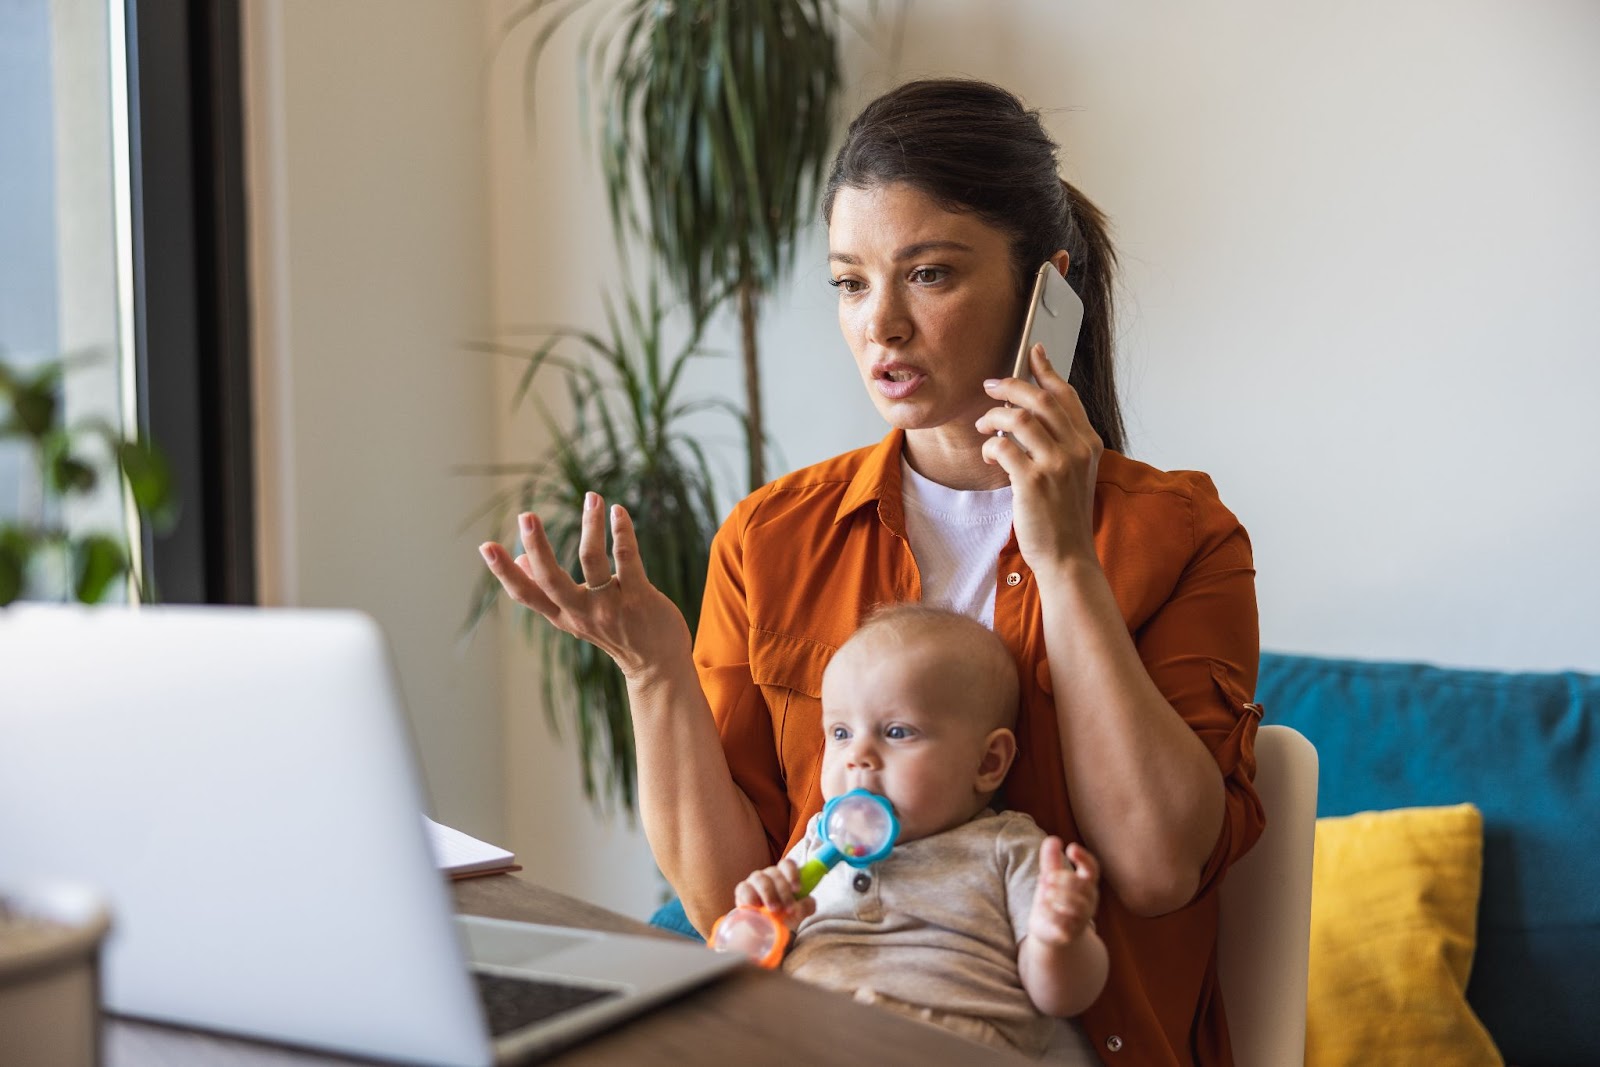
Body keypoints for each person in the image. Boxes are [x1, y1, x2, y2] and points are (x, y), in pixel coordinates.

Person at [480, 77, 1264, 1066]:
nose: (879, 323)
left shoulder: (1185, 534)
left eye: (928, 274)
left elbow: (1154, 868)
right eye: (850, 282)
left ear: (1046, 291)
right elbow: (734, 900)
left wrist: (1061, 552)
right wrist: (653, 669)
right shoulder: (772, 537)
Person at [733, 604, 1109, 1057]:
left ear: (988, 763)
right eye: (840, 732)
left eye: (896, 732)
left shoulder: (1008, 848)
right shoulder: (817, 841)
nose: (858, 756)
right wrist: (768, 910)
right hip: (812, 1034)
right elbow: (754, 954)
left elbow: (1061, 997)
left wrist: (1059, 939)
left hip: (951, 1044)